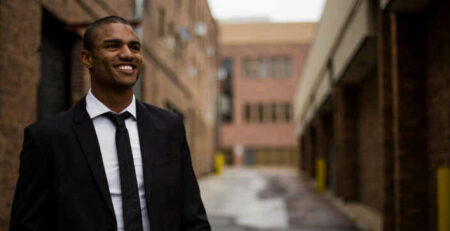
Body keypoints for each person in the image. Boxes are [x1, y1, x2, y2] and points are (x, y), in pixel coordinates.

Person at [9, 16, 210, 231]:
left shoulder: (169, 127)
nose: (127, 54)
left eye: (134, 47)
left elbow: (192, 215)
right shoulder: (47, 137)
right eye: (113, 46)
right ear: (87, 59)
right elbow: (27, 224)